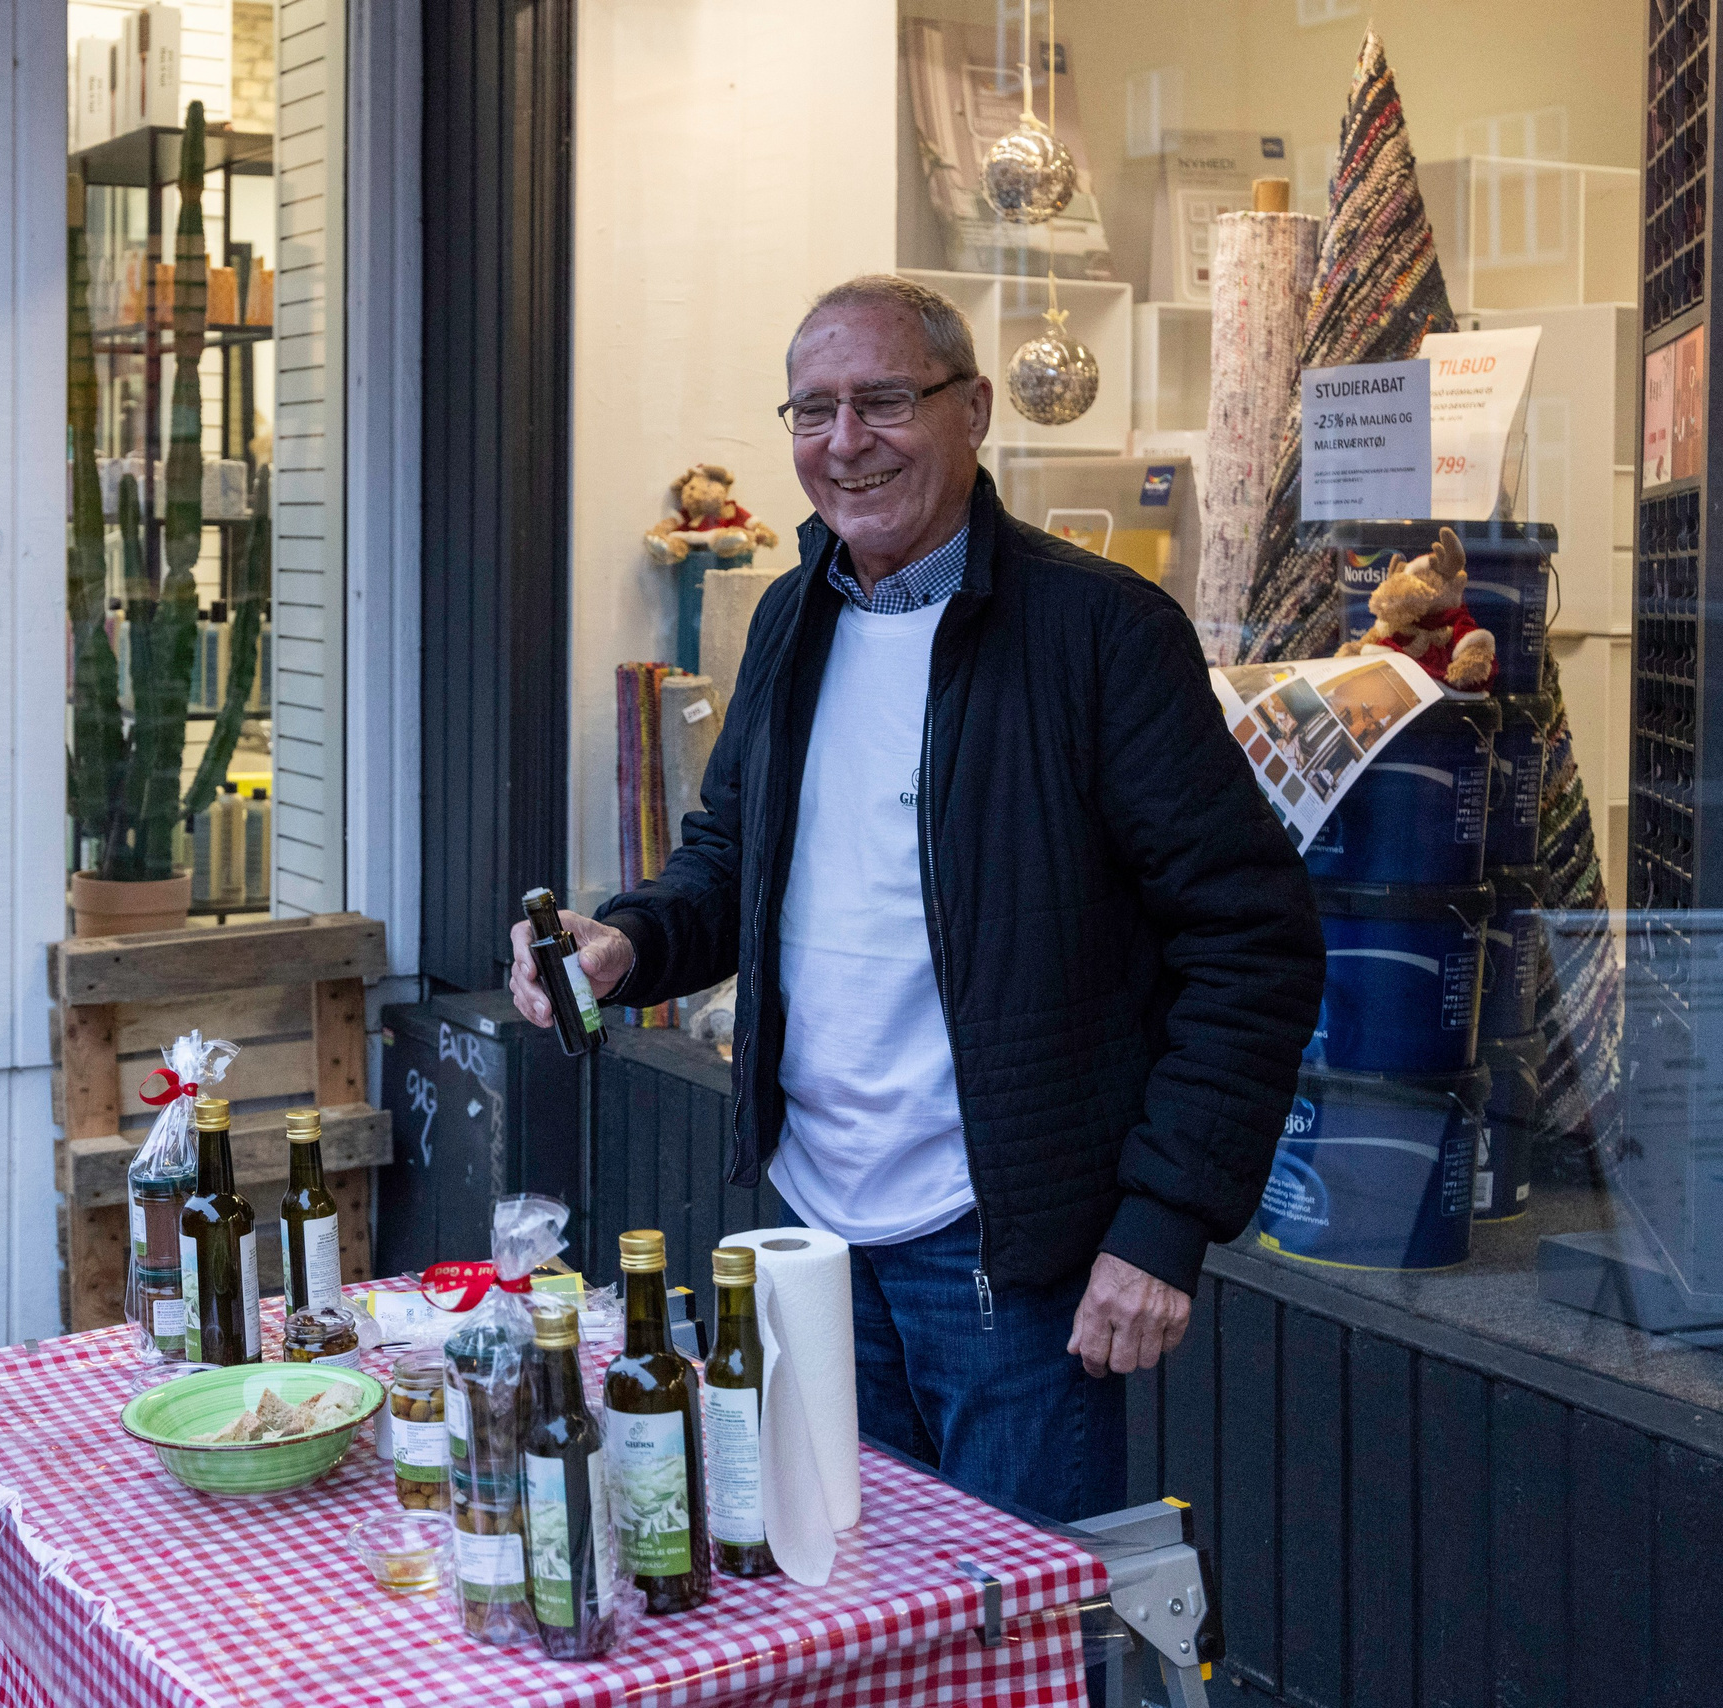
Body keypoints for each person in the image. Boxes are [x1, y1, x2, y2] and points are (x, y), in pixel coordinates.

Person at [511, 275, 1322, 1522]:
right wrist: (623, 943)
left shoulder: (1100, 633)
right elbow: (736, 858)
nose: (845, 443)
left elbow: (1251, 938)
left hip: (1004, 1253)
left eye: (884, 400)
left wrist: (1164, 1220)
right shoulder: (791, 616)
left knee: (1018, 1637)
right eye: (813, 410)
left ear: (974, 409)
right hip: (811, 1234)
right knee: (842, 1612)